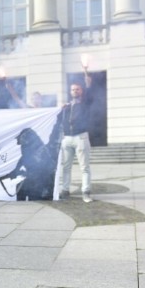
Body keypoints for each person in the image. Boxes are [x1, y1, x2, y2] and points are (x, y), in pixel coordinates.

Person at [58, 70, 94, 202]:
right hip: (67, 138)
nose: (75, 91)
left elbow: (90, 94)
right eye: (73, 89)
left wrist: (88, 84)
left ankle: (86, 192)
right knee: (66, 166)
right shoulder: (66, 106)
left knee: (84, 167)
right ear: (70, 92)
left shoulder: (85, 103)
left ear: (81, 91)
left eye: (77, 89)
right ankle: (65, 191)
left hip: (81, 137)